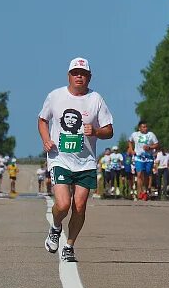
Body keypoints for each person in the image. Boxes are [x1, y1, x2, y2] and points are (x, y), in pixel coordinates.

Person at [38, 57, 113, 262]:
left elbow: (109, 130)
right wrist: (46, 139)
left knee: (79, 206)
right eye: (75, 73)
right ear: (69, 75)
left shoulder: (96, 99)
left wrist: (96, 131)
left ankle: (69, 245)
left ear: (89, 77)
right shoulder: (55, 96)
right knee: (63, 205)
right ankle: (55, 227)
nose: (79, 76)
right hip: (59, 158)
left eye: (83, 73)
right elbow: (42, 120)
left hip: (86, 161)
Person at [129, 121, 159, 201]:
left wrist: (150, 147)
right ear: (139, 128)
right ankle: (140, 192)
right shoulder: (135, 134)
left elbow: (156, 144)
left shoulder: (151, 135)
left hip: (148, 158)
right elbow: (130, 141)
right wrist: (131, 150)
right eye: (143, 127)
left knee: (147, 174)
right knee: (139, 174)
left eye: (146, 127)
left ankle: (146, 190)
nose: (145, 128)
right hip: (139, 157)